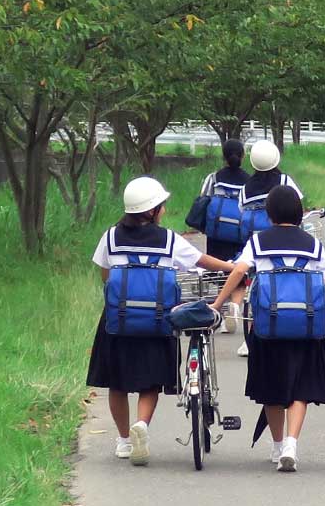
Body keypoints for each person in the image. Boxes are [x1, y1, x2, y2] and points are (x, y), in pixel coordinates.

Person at [87, 176, 234, 466]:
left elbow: (106, 277)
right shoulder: (169, 240)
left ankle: (123, 441)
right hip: (157, 320)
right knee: (149, 382)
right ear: (152, 210)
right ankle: (141, 424)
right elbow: (201, 261)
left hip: (118, 319)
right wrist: (233, 268)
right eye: (161, 205)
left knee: (117, 383)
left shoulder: (110, 237)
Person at [211, 185, 325, 472]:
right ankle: (291, 444)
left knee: (272, 388)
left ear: (269, 213)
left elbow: (238, 271)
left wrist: (218, 303)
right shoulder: (314, 245)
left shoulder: (259, 242)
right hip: (305, 327)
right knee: (300, 388)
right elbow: (323, 280)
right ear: (299, 213)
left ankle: (275, 446)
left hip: (267, 327)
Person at [235, 139, 305, 357]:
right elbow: (298, 205)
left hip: (257, 244)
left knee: (254, 290)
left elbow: (241, 212)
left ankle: (249, 339)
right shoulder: (285, 180)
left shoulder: (245, 188)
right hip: (287, 241)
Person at [198, 139, 251, 335]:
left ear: (224, 156)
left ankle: (220, 310)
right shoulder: (249, 181)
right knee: (239, 271)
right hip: (239, 234)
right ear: (243, 156)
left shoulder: (214, 178)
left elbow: (203, 200)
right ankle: (235, 305)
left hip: (217, 234)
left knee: (220, 269)